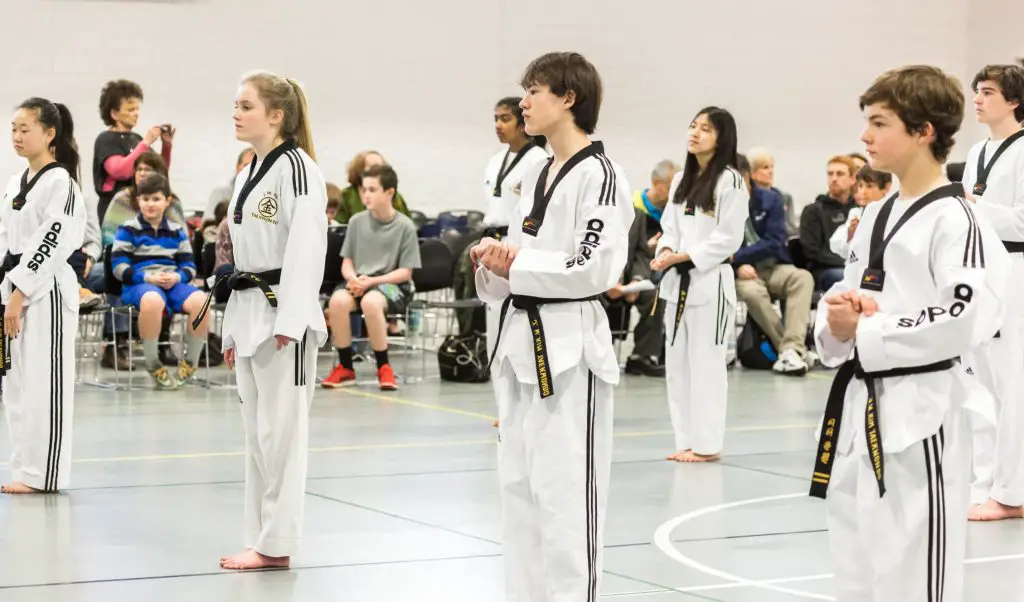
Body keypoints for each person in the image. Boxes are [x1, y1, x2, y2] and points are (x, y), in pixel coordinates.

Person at [812, 65, 1010, 602]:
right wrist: (836, 321)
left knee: (914, 566)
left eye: (879, 123)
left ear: (923, 130)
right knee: (856, 557)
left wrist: (869, 326)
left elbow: (962, 315)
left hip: (922, 410)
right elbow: (842, 299)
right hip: (860, 402)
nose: (865, 136)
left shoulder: (957, 219)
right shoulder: (874, 216)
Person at [470, 51, 633, 601]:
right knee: (519, 488)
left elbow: (595, 267)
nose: (523, 101)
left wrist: (516, 263)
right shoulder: (538, 171)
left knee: (567, 495)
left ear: (568, 97)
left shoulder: (602, 175)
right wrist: (493, 263)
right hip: (517, 343)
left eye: (534, 90)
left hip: (569, 346)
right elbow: (521, 255)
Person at [208, 71, 327, 570]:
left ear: (276, 115)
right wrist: (232, 327)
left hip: (284, 314)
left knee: (282, 435)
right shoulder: (246, 173)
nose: (236, 112)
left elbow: (306, 247)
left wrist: (292, 320)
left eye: (246, 105)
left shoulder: (298, 168)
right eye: (235, 104)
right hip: (250, 307)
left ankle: (277, 544)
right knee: (257, 433)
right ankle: (260, 537)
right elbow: (239, 259)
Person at [1, 98, 86, 493]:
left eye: (25, 129)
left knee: (44, 385)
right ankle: (24, 469)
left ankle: (45, 475)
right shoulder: (15, 182)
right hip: (12, 288)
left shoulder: (60, 183)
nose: (17, 136)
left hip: (45, 290)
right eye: (14, 128)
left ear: (50, 134)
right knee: (16, 385)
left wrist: (20, 291)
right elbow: (8, 241)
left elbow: (52, 242)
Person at [653, 107, 747, 462]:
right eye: (692, 126)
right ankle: (686, 440)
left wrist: (685, 256)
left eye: (705, 129)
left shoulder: (730, 181)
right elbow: (670, 227)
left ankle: (708, 445)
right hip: (677, 283)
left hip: (711, 281)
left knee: (706, 364)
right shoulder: (680, 180)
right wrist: (665, 250)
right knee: (677, 365)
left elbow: (728, 238)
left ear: (721, 137)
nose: (694, 133)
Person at [960, 63, 1024, 522]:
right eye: (977, 91)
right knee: (981, 384)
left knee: (1013, 383)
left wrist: (979, 210)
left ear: (1014, 100)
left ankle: (1012, 492)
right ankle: (986, 482)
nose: (978, 99)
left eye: (988, 92)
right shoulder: (977, 149)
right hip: (983, 272)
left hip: (1017, 268)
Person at [320, 164, 421, 391]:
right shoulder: (356, 221)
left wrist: (373, 281)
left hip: (392, 285)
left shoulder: (405, 226)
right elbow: (347, 261)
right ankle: (346, 367)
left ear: (389, 193)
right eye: (364, 189)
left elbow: (406, 271)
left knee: (371, 302)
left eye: (372, 190)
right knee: (337, 302)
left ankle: (383, 366)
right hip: (360, 282)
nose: (366, 195)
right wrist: (353, 279)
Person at [111, 174, 210, 389]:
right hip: (139, 285)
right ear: (138, 201)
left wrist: (177, 277)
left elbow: (189, 266)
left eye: (156, 199)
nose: (150, 204)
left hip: (172, 283)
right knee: (153, 301)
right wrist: (147, 277)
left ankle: (190, 363)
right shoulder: (127, 229)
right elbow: (118, 267)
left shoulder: (177, 231)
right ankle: (152, 362)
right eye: (145, 199)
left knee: (201, 300)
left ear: (167, 201)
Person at [733, 154, 816, 376]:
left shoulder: (771, 200)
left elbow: (774, 241)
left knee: (802, 278)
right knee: (751, 292)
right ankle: (791, 351)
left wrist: (738, 257)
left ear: (747, 176)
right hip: (742, 275)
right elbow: (718, 247)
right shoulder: (720, 205)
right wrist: (736, 267)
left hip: (774, 266)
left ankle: (791, 349)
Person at [92, 79, 173, 222]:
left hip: (139, 207)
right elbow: (120, 171)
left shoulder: (136, 139)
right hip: (115, 208)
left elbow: (159, 172)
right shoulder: (106, 139)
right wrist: (146, 142)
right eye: (130, 110)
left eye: (137, 109)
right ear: (114, 114)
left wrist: (166, 146)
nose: (136, 114)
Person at [800, 155, 856, 291]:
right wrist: (847, 263)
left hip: (854, 266)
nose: (834, 178)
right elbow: (813, 252)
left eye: (840, 174)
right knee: (848, 278)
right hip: (825, 270)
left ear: (852, 179)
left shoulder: (858, 208)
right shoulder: (813, 211)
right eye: (830, 174)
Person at [829, 165, 893, 260]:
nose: (863, 191)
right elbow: (836, 247)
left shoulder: (892, 213)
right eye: (860, 186)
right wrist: (850, 233)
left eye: (869, 186)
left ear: (886, 188)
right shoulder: (856, 213)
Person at [333, 151, 411, 224]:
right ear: (359, 170)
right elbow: (338, 227)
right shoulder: (345, 196)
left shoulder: (394, 195)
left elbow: (405, 221)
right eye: (373, 166)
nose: (379, 170)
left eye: (382, 166)